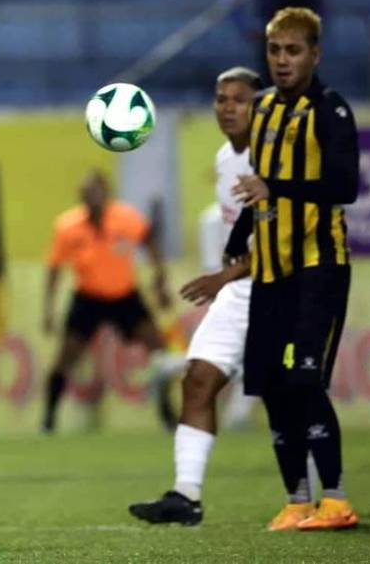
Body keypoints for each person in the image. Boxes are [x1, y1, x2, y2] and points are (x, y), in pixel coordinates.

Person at [225, 7, 359, 531]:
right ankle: (297, 499)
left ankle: (337, 498)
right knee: (271, 384)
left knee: (304, 379)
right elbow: (263, 180)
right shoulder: (262, 111)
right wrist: (240, 237)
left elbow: (343, 188)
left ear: (315, 54)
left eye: (293, 51)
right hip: (271, 270)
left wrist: (274, 189)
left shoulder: (331, 111)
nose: (282, 61)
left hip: (319, 265)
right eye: (275, 51)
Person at [129, 66, 268, 525]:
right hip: (236, 289)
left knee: (293, 397)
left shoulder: (274, 161)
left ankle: (321, 496)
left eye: (239, 99)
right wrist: (226, 277)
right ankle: (185, 495)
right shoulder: (225, 160)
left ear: (260, 105)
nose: (227, 107)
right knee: (197, 378)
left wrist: (222, 276)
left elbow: (285, 241)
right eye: (220, 98)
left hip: (281, 287)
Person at [41, 171, 174, 433]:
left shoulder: (126, 218)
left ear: (106, 192)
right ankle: (48, 418)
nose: (90, 199)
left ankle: (167, 412)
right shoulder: (68, 226)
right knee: (65, 357)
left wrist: (160, 281)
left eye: (95, 193)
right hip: (88, 298)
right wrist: (48, 308)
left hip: (124, 295)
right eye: (85, 194)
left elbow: (150, 244)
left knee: (159, 349)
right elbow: (54, 268)